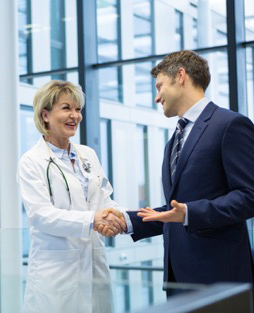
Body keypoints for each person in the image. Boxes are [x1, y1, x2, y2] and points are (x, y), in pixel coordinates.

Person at [126, 50, 254, 295]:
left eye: (160, 86)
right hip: (179, 279)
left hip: (219, 279)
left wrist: (190, 213)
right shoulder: (173, 140)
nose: (157, 97)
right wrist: (127, 221)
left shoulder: (230, 125)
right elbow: (177, 209)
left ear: (181, 76)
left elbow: (249, 196)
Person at [17, 80, 127, 313]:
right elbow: (41, 215)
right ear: (45, 115)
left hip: (94, 263)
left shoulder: (88, 154)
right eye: (66, 108)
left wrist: (115, 217)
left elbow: (104, 198)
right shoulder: (32, 161)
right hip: (56, 274)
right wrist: (93, 220)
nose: (75, 116)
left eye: (78, 109)